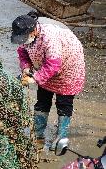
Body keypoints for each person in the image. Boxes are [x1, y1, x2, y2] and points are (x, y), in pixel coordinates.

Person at [11, 12, 85, 150]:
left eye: (23, 38)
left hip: (68, 66)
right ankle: (38, 135)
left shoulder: (49, 37)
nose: (22, 41)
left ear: (33, 31)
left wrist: (35, 78)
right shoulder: (25, 36)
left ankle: (61, 138)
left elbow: (53, 65)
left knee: (64, 103)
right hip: (44, 66)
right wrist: (26, 68)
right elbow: (22, 53)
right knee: (42, 101)